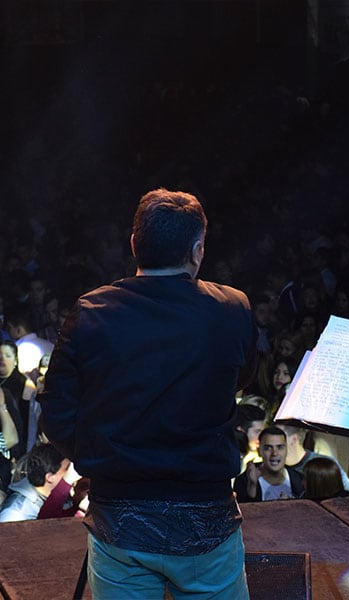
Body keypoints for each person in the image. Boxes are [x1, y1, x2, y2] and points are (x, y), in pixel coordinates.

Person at [39, 189, 256, 599]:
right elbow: (240, 378)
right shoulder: (233, 308)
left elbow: (56, 413)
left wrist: (99, 457)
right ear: (197, 250)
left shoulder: (92, 311)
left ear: (135, 244)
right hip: (206, 518)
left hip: (119, 518)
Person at [0, 443, 70, 523]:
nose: (72, 473)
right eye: (67, 469)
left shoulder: (67, 496)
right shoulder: (17, 513)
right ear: (50, 477)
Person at [234, 427, 303, 502]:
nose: (274, 453)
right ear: (259, 451)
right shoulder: (244, 482)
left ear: (286, 450)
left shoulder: (300, 480)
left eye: (280, 447)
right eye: (268, 448)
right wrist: (252, 487)